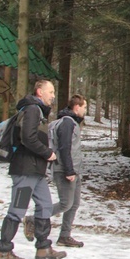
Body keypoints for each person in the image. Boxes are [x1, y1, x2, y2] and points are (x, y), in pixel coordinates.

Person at [0, 79, 66, 259]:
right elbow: (27, 138)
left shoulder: (39, 111)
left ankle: (43, 248)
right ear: (39, 92)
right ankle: (3, 250)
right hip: (25, 170)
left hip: (36, 171)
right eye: (50, 92)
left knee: (45, 206)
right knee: (17, 209)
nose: (53, 95)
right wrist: (47, 153)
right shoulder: (33, 109)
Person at [50, 94, 88, 247]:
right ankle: (34, 218)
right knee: (66, 203)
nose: (85, 111)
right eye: (84, 107)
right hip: (65, 170)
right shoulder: (67, 123)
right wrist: (69, 171)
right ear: (77, 107)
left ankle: (64, 236)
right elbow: (64, 148)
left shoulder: (72, 122)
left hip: (74, 170)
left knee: (74, 204)